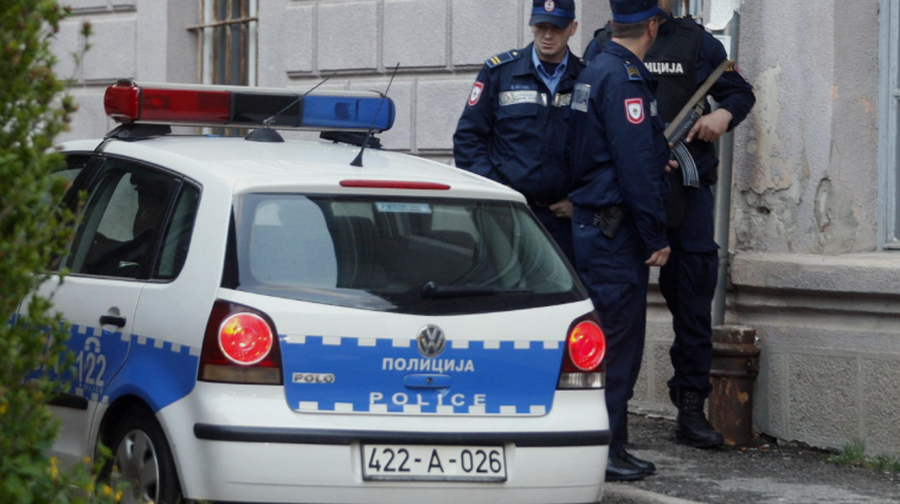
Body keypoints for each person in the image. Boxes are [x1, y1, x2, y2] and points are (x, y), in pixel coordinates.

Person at [584, 0, 756, 449]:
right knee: (615, 311)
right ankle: (607, 416)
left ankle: (691, 408)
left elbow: (739, 92)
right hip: (628, 196)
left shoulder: (697, 42)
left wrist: (722, 115)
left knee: (694, 302)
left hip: (686, 191)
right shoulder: (606, 43)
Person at [568, 0, 670, 482]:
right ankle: (604, 450)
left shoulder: (594, 69)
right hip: (614, 235)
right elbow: (635, 167)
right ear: (651, 26)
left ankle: (612, 445)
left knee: (604, 342)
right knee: (616, 346)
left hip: (594, 228)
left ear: (612, 23)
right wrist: (655, 233)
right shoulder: (623, 78)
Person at [453, 0, 584, 264]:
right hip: (506, 217)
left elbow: (598, 149)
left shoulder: (586, 77)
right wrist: (499, 194)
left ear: (573, 28)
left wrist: (580, 201)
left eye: (556, 28)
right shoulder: (500, 72)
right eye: (541, 26)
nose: (547, 35)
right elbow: (468, 140)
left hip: (565, 221)